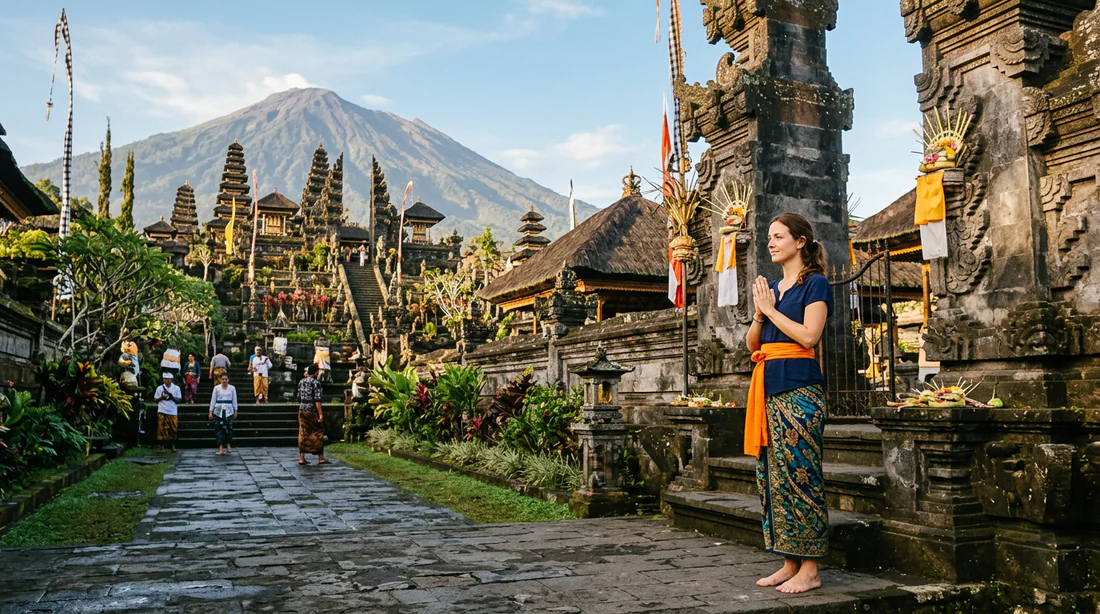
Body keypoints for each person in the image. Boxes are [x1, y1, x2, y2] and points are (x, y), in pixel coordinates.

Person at [745, 212, 832, 595]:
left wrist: (772, 309)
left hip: (799, 391)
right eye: (768, 237)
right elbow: (753, 345)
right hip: (767, 388)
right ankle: (788, 562)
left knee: (801, 475)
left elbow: (810, 336)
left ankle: (810, 569)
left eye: (778, 236)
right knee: (772, 478)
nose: (770, 242)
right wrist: (760, 313)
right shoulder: (773, 289)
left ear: (800, 242)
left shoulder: (815, 284)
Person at [297, 364, 329, 465]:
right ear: (315, 372)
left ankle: (302, 458)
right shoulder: (316, 383)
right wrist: (320, 413)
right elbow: (317, 399)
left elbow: (298, 396)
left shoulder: (301, 381)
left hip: (302, 408)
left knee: (303, 431)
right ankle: (321, 457)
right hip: (312, 409)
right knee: (318, 432)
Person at [208, 372, 238, 455]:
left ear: (228, 380)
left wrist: (236, 410)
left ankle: (228, 445)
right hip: (218, 410)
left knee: (229, 428)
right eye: (223, 379)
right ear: (220, 380)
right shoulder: (216, 388)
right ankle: (220, 448)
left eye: (226, 379)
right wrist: (211, 411)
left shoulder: (232, 388)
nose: (224, 380)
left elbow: (234, 399)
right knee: (218, 429)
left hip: (229, 410)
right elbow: (213, 399)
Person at [155, 373, 182, 453]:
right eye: (165, 379)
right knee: (161, 429)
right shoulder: (160, 388)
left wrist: (171, 396)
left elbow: (178, 400)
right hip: (162, 410)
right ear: (163, 379)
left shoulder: (176, 388)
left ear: (171, 380)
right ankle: (162, 447)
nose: (167, 381)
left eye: (169, 379)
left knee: (173, 428)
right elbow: (156, 399)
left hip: (172, 411)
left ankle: (172, 446)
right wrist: (162, 398)